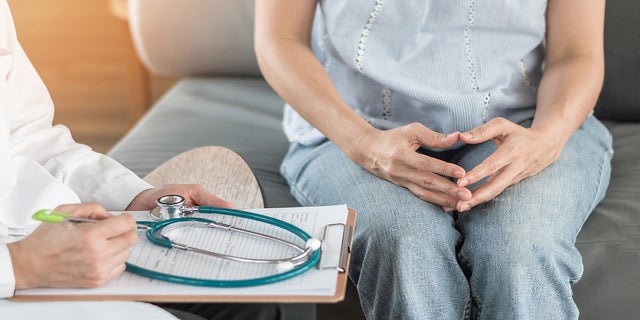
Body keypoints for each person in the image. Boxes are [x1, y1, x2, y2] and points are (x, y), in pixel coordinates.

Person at [255, 0, 612, 319]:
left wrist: (545, 140)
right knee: (404, 244)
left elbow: (576, 53)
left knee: (518, 249)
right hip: (352, 123)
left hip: (529, 121)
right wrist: (363, 142)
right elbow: (279, 39)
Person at [0, 1, 313, 319]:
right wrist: (19, 265)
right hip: (17, 275)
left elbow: (26, 137)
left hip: (44, 238)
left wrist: (133, 198)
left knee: (271, 302)